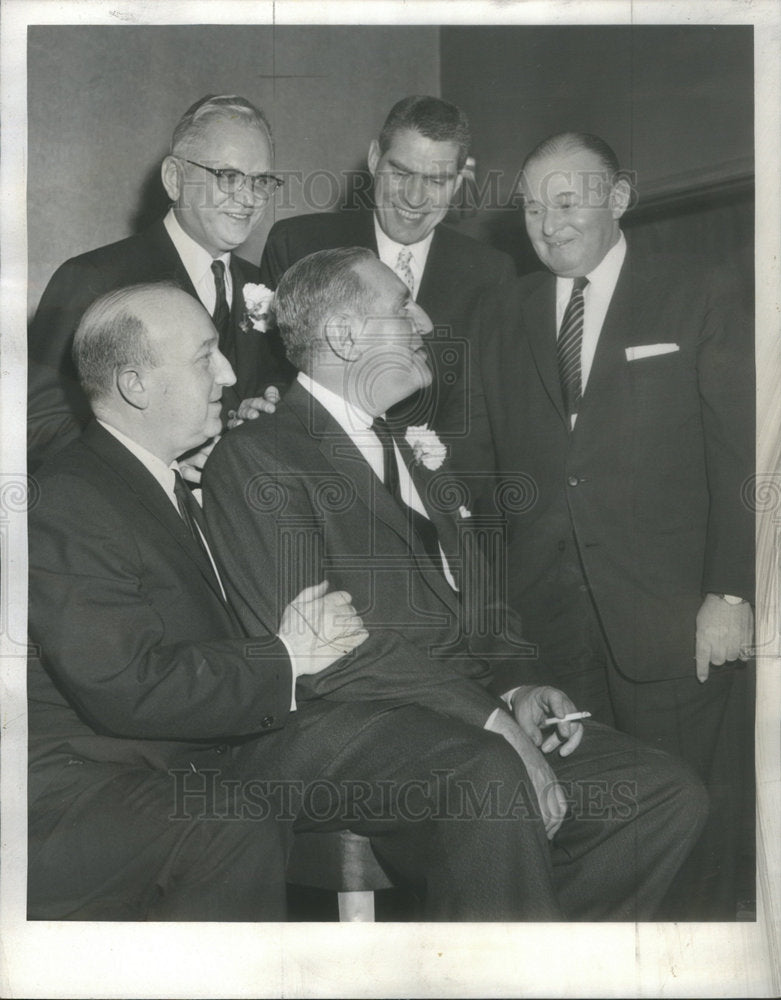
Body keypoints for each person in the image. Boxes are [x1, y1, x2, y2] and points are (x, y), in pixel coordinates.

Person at [29, 281, 639, 923]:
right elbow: (129, 686)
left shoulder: (170, 478)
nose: (231, 372)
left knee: (606, 786)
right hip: (149, 769)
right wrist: (287, 655)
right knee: (476, 768)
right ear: (135, 385)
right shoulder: (72, 499)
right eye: (205, 356)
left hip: (245, 738)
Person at [202, 246, 709, 921]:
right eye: (400, 307)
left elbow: (484, 604)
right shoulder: (260, 457)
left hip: (458, 716)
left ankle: (529, 963)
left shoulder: (416, 447)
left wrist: (518, 687)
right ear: (344, 335)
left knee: (661, 792)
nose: (424, 321)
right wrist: (491, 720)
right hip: (335, 724)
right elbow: (330, 659)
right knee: (489, 776)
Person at [457, 131, 755, 917]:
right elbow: (481, 487)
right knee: (581, 827)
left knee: (691, 821)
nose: (547, 223)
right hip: (549, 633)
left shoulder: (704, 289)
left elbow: (743, 459)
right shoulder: (499, 312)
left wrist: (730, 591)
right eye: (530, 206)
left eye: (567, 201)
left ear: (618, 199)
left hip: (671, 621)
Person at [28, 94, 288, 473]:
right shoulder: (92, 278)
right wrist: (163, 467)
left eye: (260, 181)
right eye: (229, 177)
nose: (247, 198)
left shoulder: (264, 285)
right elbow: (39, 428)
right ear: (174, 179)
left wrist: (255, 422)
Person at [255, 95, 516, 437]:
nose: (414, 197)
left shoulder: (491, 273)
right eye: (402, 172)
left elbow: (482, 416)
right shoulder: (298, 244)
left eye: (436, 181)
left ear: (456, 183)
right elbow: (269, 376)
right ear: (375, 159)